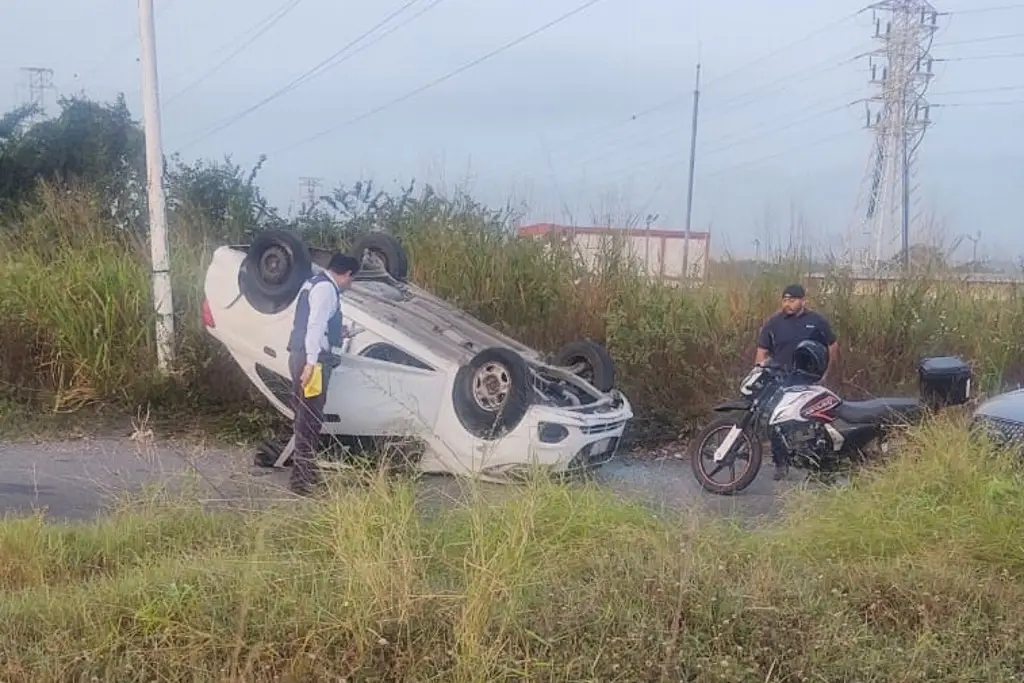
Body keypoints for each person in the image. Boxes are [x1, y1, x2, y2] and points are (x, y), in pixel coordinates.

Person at [285, 253, 361, 494]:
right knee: (310, 419)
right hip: (313, 363)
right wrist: (310, 364)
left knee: (306, 416)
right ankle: (301, 480)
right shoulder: (327, 290)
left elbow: (319, 325)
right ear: (347, 274)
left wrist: (341, 333)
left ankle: (307, 471)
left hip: (307, 357)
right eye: (352, 280)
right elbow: (315, 326)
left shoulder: (315, 283)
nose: (351, 285)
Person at [754, 283, 839, 480]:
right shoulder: (774, 323)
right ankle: (780, 464)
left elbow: (833, 346)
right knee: (777, 422)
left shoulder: (816, 321)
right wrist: (759, 371)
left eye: (792, 300)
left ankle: (818, 465)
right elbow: (761, 350)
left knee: (813, 423)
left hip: (808, 380)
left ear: (803, 301)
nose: (788, 304)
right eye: (785, 300)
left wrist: (827, 373)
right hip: (780, 380)